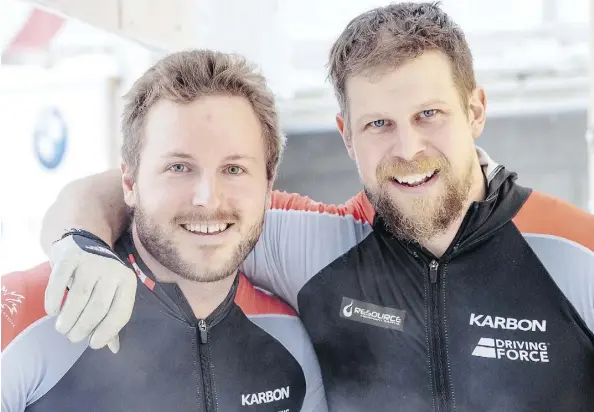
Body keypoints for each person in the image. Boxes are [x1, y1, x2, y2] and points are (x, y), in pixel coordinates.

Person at [34, 2, 594, 412]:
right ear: (347, 136)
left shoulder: (577, 252)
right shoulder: (311, 242)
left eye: (429, 115)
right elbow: (153, 195)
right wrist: (81, 242)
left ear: (475, 110)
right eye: (379, 124)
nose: (407, 148)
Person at [1, 49, 326, 412]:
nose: (208, 199)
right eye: (179, 167)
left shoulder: (288, 342)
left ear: (268, 188)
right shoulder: (24, 315)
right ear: (129, 181)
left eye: (233, 169)